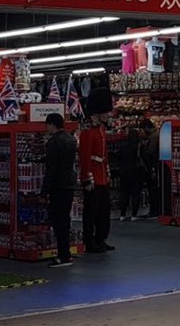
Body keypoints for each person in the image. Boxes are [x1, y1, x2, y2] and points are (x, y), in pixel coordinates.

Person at [79, 88, 115, 253]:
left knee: (103, 212)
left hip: (102, 177)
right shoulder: (87, 132)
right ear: (98, 112)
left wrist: (107, 173)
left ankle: (100, 238)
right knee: (91, 213)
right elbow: (85, 157)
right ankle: (89, 240)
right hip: (93, 178)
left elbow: (104, 154)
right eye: (105, 112)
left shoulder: (100, 130)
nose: (108, 115)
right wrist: (87, 179)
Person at [41, 113, 77, 268]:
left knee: (58, 221)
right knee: (65, 220)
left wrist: (44, 191)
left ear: (52, 125)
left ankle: (63, 256)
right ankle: (65, 253)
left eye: (47, 125)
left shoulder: (53, 143)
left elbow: (51, 170)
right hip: (69, 184)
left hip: (57, 186)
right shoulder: (71, 140)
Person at [116, 127, 143, 221]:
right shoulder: (139, 146)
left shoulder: (122, 146)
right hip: (136, 172)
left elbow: (118, 157)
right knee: (136, 193)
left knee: (124, 193)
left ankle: (122, 214)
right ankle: (134, 215)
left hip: (124, 171)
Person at [138, 119, 161, 219]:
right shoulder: (157, 134)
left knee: (153, 190)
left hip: (153, 166)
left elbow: (150, 152)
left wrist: (143, 148)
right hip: (156, 166)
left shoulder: (154, 137)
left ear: (147, 127)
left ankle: (154, 211)